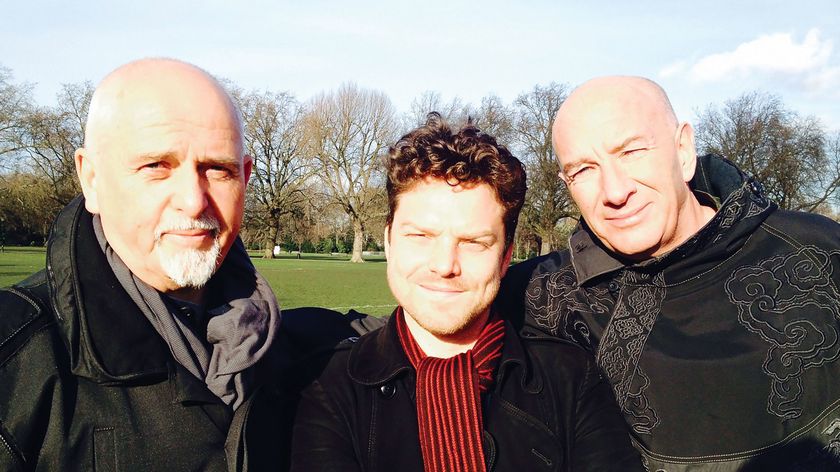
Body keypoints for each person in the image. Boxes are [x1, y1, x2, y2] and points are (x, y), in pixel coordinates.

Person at [501, 76, 840, 470]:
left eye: (631, 152)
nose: (614, 191)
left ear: (683, 150)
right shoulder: (544, 295)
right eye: (584, 170)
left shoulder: (817, 250)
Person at [289, 113, 643, 471]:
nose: (445, 265)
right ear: (389, 241)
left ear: (506, 257)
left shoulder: (569, 376)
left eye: (473, 242)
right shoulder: (325, 386)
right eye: (420, 236)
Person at [0, 58, 283, 471]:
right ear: (91, 179)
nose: (193, 199)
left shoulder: (300, 356)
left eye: (217, 170)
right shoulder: (16, 358)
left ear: (246, 176)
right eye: (156, 166)